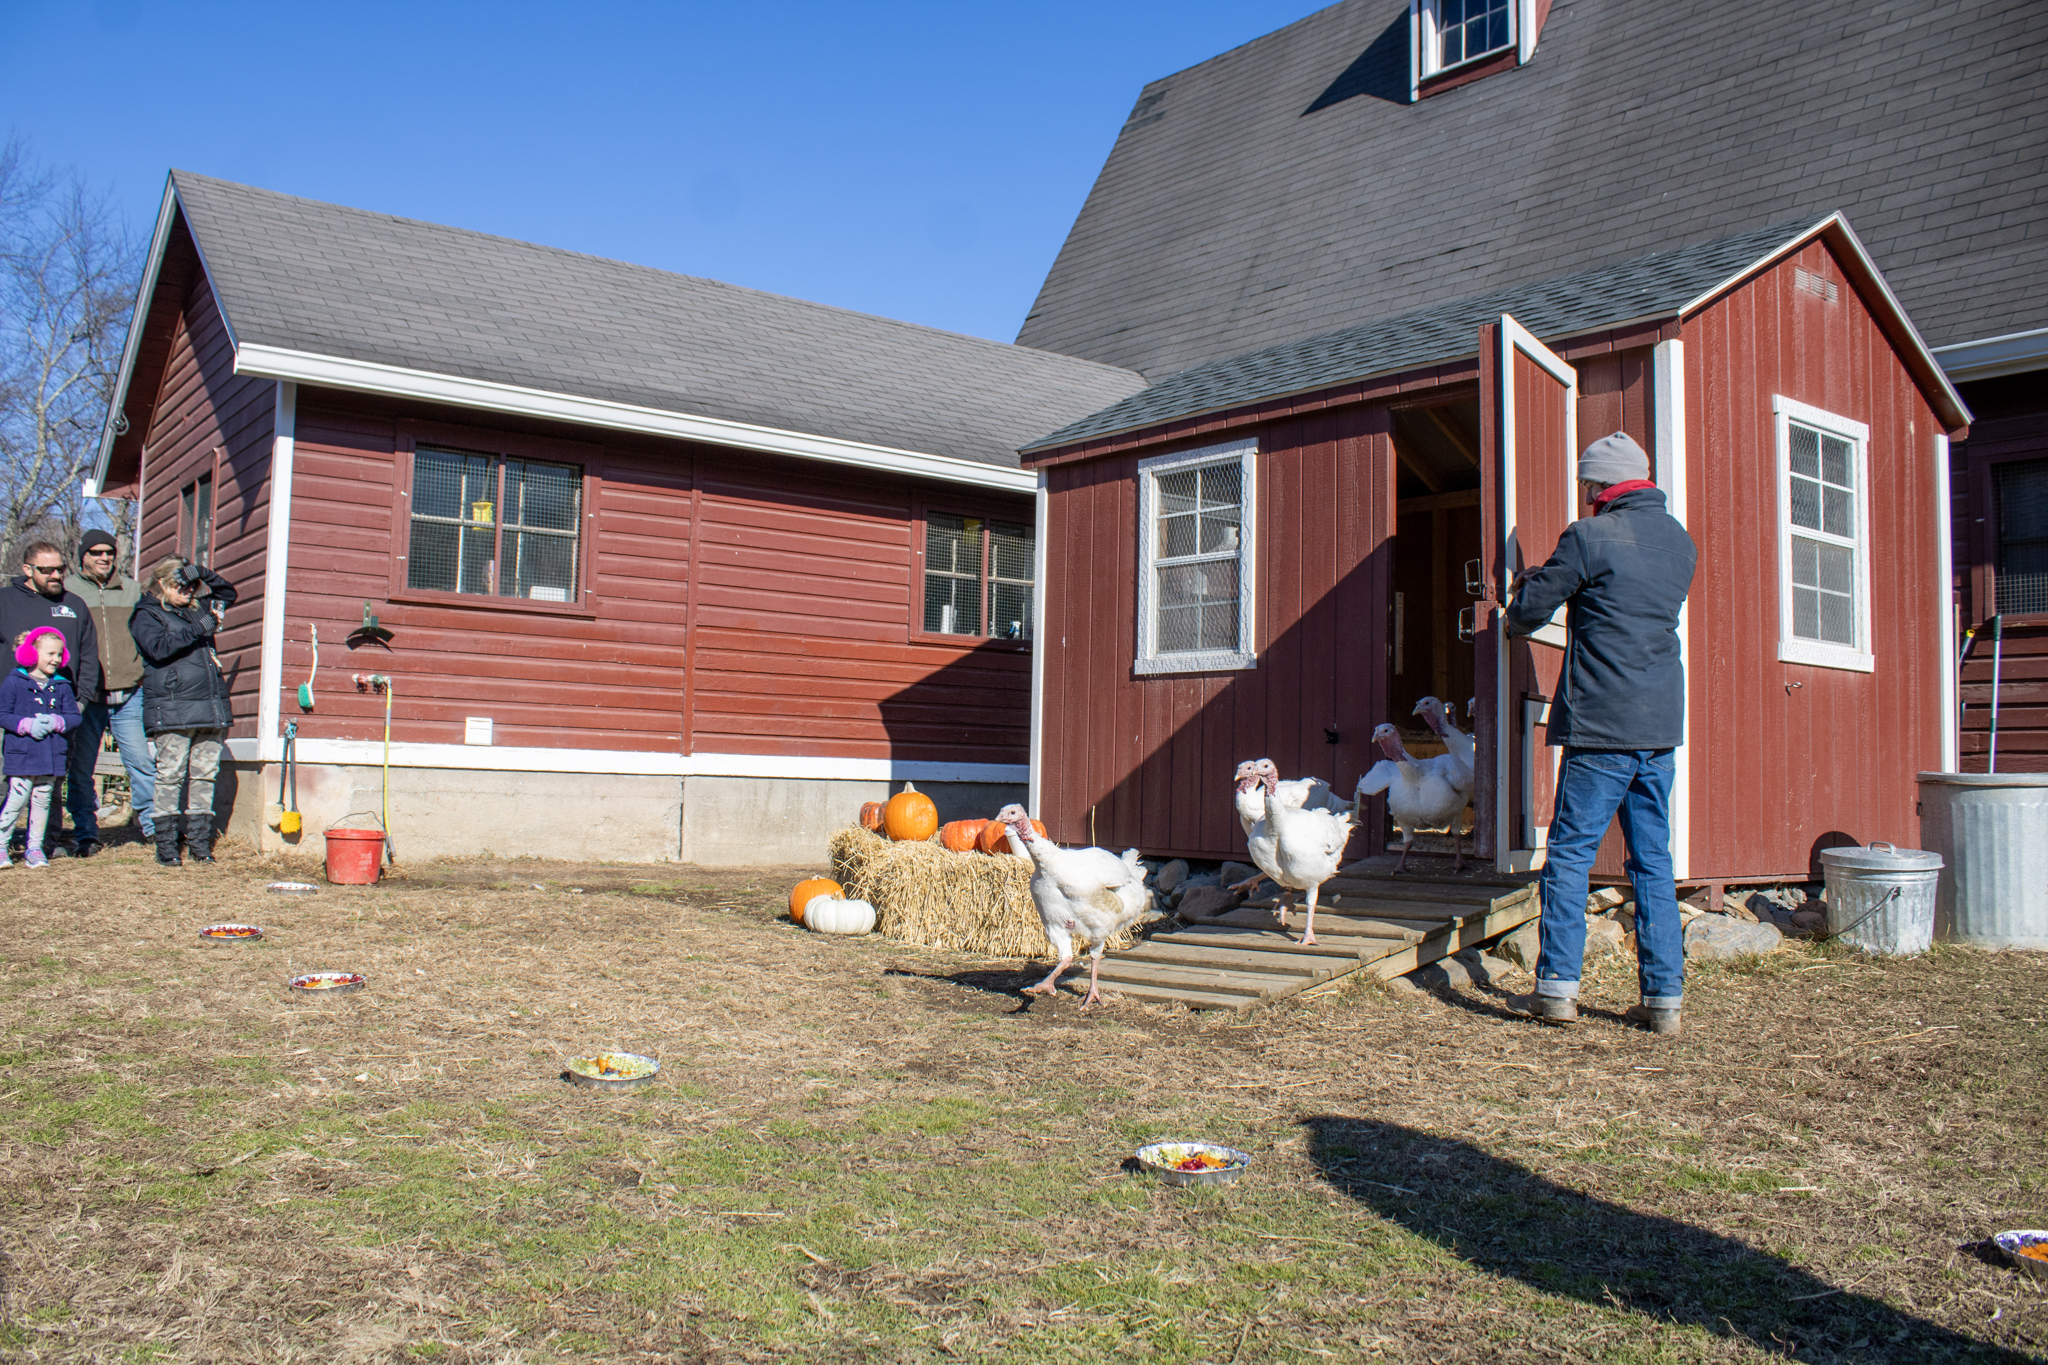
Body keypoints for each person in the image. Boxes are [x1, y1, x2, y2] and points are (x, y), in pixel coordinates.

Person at [1504, 432, 1698, 1036]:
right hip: (1658, 723)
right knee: (1653, 860)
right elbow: (1624, 603)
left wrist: (1520, 599)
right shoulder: (1680, 542)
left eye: (1587, 483)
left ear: (1600, 486)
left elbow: (1532, 610)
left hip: (1601, 724)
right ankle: (1664, 1000)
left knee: (1570, 854)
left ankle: (1556, 989)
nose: (1585, 492)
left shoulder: (1588, 535)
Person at [130, 557, 237, 867]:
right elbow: (158, 648)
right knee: (170, 776)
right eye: (182, 584)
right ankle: (166, 846)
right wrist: (197, 629)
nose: (189, 590)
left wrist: (203, 573)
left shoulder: (198, 608)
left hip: (209, 706)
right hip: (173, 707)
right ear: (162, 582)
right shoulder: (146, 614)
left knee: (205, 775)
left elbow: (228, 594)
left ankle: (200, 845)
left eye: (193, 585)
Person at [1, 541, 100, 857]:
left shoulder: (75, 605)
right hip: (10, 711)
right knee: (7, 780)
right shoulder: (4, 601)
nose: (57, 575)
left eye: (61, 568)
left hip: (57, 710)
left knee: (51, 780)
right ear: (27, 570)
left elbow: (89, 655)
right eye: (47, 570)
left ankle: (45, 842)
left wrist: (80, 702)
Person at [65, 529, 156, 854]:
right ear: (83, 556)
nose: (105, 557)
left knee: (141, 763)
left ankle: (153, 829)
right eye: (96, 552)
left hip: (129, 694)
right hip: (87, 697)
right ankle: (86, 832)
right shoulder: (68, 591)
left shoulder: (132, 590)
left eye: (110, 552)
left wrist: (142, 672)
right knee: (81, 768)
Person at [1, 628, 82, 869]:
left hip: (51, 757)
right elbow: (3, 714)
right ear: (32, 654)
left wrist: (57, 721)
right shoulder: (14, 682)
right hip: (22, 756)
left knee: (42, 801)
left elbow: (74, 717)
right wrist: (25, 725)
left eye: (59, 654)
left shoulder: (62, 686)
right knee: (17, 800)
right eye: (50, 654)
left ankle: (34, 848)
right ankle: (2, 846)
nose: (56, 659)